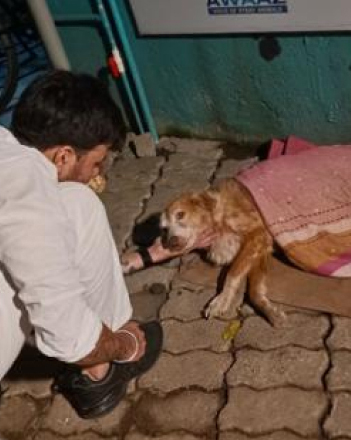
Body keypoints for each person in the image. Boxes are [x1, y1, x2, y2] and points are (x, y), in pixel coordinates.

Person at [0, 70, 209, 419]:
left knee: (77, 203)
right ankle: (103, 365)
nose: (98, 175)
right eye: (96, 163)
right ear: (63, 156)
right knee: (75, 215)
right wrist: (122, 347)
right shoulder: (27, 197)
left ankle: (100, 362)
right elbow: (65, 327)